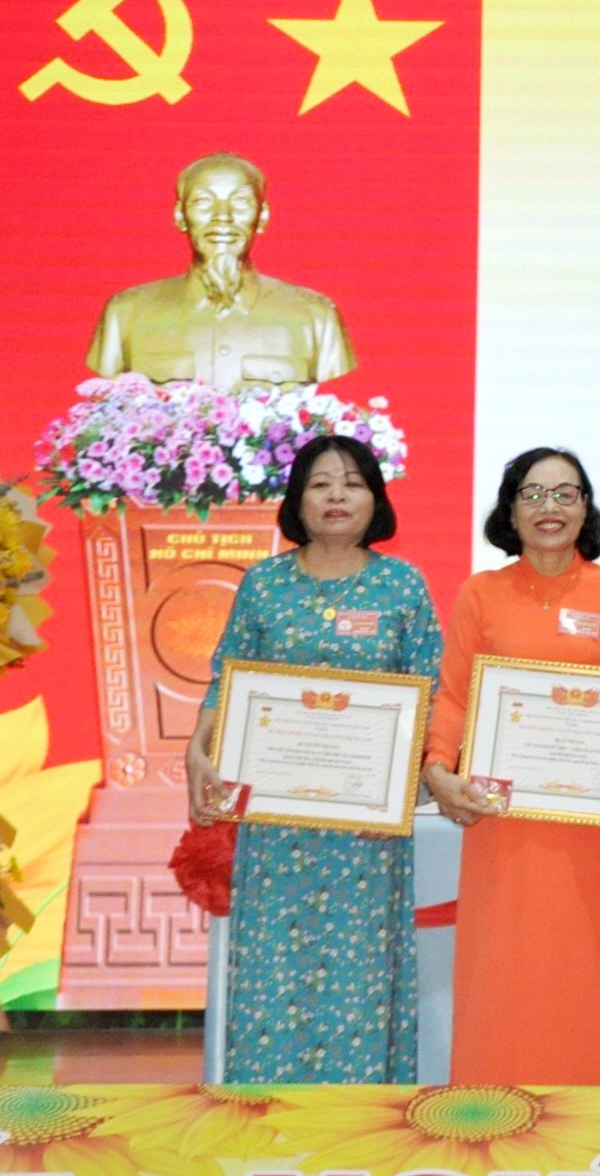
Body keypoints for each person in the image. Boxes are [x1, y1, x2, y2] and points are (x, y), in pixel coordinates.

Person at [183, 434, 438, 1082]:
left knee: (359, 975)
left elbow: (427, 692)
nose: (336, 495)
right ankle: (266, 1124)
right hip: (275, 824)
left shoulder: (402, 585)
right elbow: (226, 681)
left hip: (365, 828)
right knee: (275, 970)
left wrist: (418, 772)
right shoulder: (265, 584)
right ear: (298, 498)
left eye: (352, 482)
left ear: (374, 498)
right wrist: (196, 748)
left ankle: (358, 1124)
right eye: (320, 482)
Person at [421, 447, 600, 1085]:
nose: (549, 507)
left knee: (588, 980)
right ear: (510, 509)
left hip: (595, 833)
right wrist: (438, 768)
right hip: (505, 828)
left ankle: (585, 1135)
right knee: (504, 980)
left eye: (565, 493)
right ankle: (487, 1129)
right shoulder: (481, 593)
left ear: (587, 508)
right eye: (532, 494)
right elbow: (453, 697)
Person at [89, 152, 355, 389]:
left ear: (262, 217)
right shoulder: (126, 313)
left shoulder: (315, 316)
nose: (223, 217)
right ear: (180, 216)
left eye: (240, 202)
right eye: (203, 202)